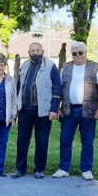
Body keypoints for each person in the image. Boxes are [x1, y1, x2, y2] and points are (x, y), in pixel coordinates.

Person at [53, 41, 98, 180]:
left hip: (88, 110)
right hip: (68, 110)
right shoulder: (66, 67)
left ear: (85, 52)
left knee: (87, 141)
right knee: (65, 140)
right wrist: (57, 107)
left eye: (80, 53)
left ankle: (86, 169)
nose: (77, 56)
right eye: (74, 53)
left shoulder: (95, 67)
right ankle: (63, 168)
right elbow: (59, 88)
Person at [12, 42, 61, 179]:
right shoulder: (25, 65)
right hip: (24, 110)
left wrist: (54, 109)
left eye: (37, 50)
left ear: (42, 51)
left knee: (42, 140)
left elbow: (57, 88)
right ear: (29, 52)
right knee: (22, 140)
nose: (35, 53)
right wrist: (16, 108)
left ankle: (39, 169)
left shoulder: (51, 66)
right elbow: (18, 87)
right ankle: (20, 169)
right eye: (32, 50)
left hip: (43, 112)